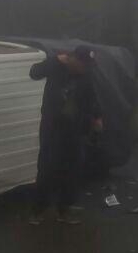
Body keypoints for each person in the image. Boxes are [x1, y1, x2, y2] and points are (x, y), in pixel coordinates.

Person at [28, 45, 102, 225]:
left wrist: (97, 117)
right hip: (53, 126)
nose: (85, 68)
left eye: (87, 65)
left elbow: (92, 96)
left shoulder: (86, 74)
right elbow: (34, 72)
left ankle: (65, 209)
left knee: (72, 168)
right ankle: (39, 210)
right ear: (74, 59)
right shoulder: (56, 66)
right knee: (47, 166)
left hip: (75, 127)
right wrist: (54, 61)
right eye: (82, 64)